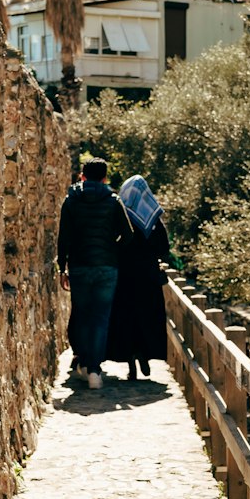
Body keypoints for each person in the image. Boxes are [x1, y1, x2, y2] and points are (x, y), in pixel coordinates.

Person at [57, 157, 131, 389]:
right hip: (106, 267)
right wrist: (111, 248)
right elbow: (127, 235)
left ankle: (85, 362)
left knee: (81, 314)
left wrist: (62, 268)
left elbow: (64, 238)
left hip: (79, 266)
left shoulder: (71, 201)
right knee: (100, 319)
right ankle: (95, 370)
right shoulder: (113, 201)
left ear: (82, 176)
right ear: (105, 177)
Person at [106, 175, 170, 381]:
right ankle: (145, 352)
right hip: (148, 277)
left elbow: (113, 242)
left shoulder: (119, 214)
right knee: (147, 315)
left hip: (124, 276)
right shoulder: (152, 218)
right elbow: (164, 248)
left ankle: (130, 358)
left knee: (126, 317)